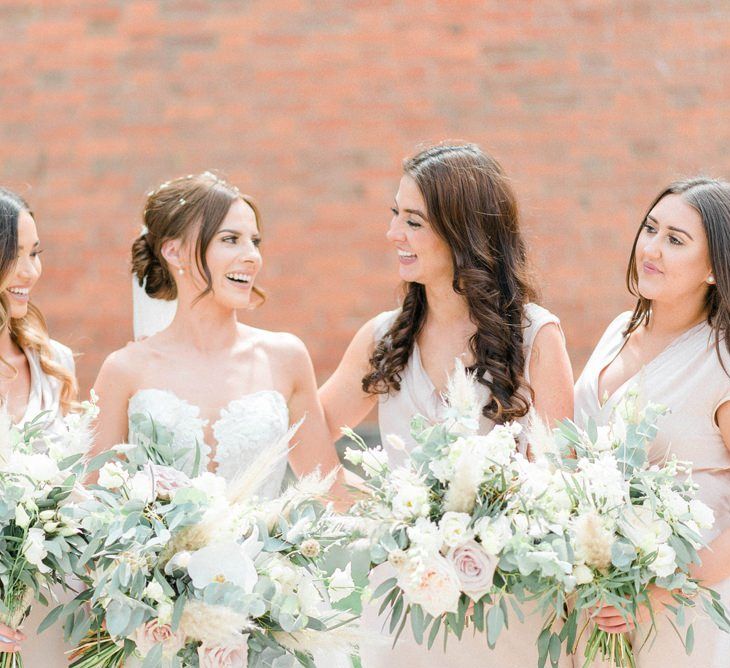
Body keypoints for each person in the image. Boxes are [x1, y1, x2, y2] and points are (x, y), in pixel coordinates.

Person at [319, 143, 574, 666]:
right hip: (407, 600)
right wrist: (363, 512)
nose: (394, 234)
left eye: (412, 221)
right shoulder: (384, 338)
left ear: (463, 233)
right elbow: (311, 424)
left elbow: (563, 479)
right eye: (395, 214)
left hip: (507, 603)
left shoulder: (535, 335)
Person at [574, 177, 730, 667]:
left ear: (713, 267)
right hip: (593, 600)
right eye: (650, 229)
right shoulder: (618, 330)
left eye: (675, 240)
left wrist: (657, 592)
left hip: (680, 610)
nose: (651, 248)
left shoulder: (721, 361)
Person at [0, 187, 78, 667]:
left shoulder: (54, 364)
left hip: (52, 611)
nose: (30, 272)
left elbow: (78, 493)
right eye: (14, 256)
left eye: (35, 254)